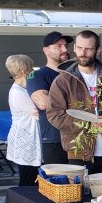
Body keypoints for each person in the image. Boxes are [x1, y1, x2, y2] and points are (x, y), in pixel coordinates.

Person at [46, 30, 102, 173]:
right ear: (74, 48)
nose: (83, 52)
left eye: (88, 48)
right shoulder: (62, 81)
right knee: (81, 195)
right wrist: (88, 125)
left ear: (97, 51)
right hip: (78, 153)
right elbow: (54, 115)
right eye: (79, 48)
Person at [25, 31, 69, 165]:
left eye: (66, 46)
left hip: (80, 136)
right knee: (57, 183)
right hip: (54, 138)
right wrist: (75, 103)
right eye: (59, 46)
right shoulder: (37, 75)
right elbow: (43, 103)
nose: (65, 50)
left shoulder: (75, 74)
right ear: (46, 50)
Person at [4, 54, 42, 186]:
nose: (33, 71)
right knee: (28, 178)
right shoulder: (18, 93)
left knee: (30, 174)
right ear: (24, 71)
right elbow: (38, 111)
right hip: (26, 139)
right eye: (31, 68)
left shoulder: (21, 89)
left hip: (27, 137)